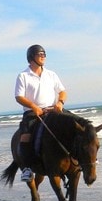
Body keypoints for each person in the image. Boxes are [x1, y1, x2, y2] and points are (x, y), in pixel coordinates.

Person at [14, 44, 67, 182]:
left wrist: (60, 102)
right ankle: (27, 169)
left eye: (44, 54)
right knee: (25, 136)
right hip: (32, 113)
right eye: (40, 54)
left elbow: (62, 91)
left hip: (53, 110)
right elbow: (19, 97)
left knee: (75, 124)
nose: (43, 56)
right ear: (32, 57)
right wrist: (33, 106)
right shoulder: (23, 76)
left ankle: (83, 159)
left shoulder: (51, 74)